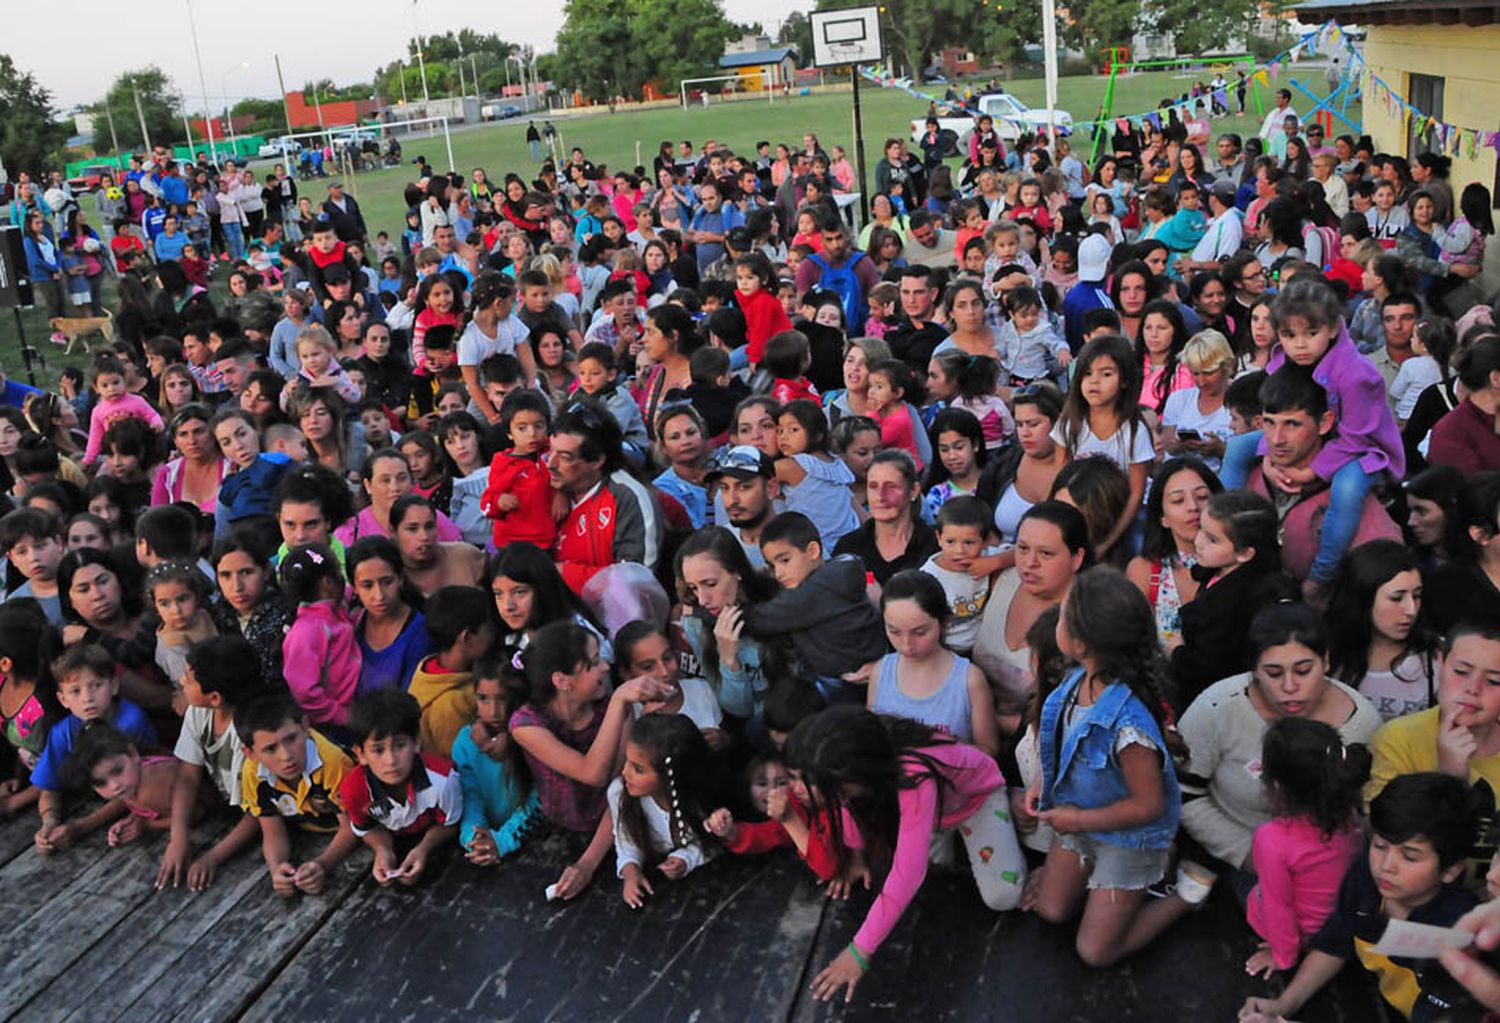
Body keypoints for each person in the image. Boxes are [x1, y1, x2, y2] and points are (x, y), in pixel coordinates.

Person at [793, 706, 1024, 1001]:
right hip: (928, 816)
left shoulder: (913, 773)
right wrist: (856, 856)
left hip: (975, 801)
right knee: (934, 883)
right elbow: (846, 805)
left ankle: (1012, 822)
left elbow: (908, 872)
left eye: (837, 786)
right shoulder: (853, 764)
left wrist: (859, 950)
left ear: (862, 773)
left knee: (1004, 896)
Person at [1027, 567, 1185, 968]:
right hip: (1081, 817)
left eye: (1062, 616)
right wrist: (1041, 779)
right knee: (1051, 910)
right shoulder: (1077, 679)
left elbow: (1147, 805)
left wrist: (1078, 821)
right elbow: (1063, 743)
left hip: (1127, 838)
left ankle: (1186, 895)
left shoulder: (1129, 727)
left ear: (1079, 642)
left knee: (1094, 952)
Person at [1239, 773, 1479, 1023]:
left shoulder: (1458, 935)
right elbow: (1335, 944)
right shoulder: (1365, 877)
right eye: (1380, 846)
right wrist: (1283, 1005)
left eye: (1410, 856)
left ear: (1451, 870)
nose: (1387, 866)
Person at [1177, 603, 1380, 887]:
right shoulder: (1216, 708)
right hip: (1245, 856)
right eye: (1273, 673)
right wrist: (1249, 855)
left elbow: (1369, 812)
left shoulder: (1363, 723)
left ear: (1327, 662)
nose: (1289, 686)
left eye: (1304, 670)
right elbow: (1183, 793)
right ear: (1254, 671)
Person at [510, 622, 672, 898]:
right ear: (562, 681)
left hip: (615, 827)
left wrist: (587, 863)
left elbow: (620, 788)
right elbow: (592, 772)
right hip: (557, 829)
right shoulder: (526, 724)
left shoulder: (613, 708)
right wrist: (620, 699)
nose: (605, 667)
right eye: (594, 662)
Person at [1238, 367, 1402, 586]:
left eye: (1292, 424)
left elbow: (1388, 583)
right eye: (1269, 422)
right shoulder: (1250, 475)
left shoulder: (1353, 501)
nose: (1277, 439)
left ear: (1324, 423)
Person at [1242, 718, 1370, 978]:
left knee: (1244, 883)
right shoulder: (1348, 812)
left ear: (1275, 786)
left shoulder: (1271, 840)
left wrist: (1283, 956)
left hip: (1305, 935)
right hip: (1341, 922)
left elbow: (1279, 907)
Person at [156, 635, 264, 891]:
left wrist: (212, 857)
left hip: (264, 815)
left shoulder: (252, 733)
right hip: (227, 805)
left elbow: (260, 813)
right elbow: (187, 776)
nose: (182, 681)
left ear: (215, 698)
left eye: (189, 679)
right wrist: (178, 836)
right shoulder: (198, 711)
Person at [31, 643, 159, 854]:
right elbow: (49, 786)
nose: (87, 698)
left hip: (142, 805)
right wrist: (49, 823)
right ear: (62, 699)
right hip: (93, 805)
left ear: (114, 686)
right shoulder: (63, 732)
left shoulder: (131, 722)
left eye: (96, 685)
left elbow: (132, 787)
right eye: (75, 691)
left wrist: (81, 827)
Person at [1169, 491, 1289, 710]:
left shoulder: (1239, 603)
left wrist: (1177, 652)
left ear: (1245, 553)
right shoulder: (1220, 572)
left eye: (1212, 539)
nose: (1199, 542)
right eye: (1201, 530)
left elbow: (1209, 667)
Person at [235, 691, 361, 897]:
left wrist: (322, 865)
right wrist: (277, 868)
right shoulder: (253, 772)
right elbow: (272, 831)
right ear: (250, 754)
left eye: (291, 738)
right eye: (270, 749)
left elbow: (352, 828)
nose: (286, 756)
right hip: (308, 834)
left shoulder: (332, 763)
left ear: (305, 727)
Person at [339, 690, 461, 887]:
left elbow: (450, 823)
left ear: (416, 743)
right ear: (360, 754)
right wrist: (382, 849)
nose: (391, 761)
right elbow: (367, 828)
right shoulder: (352, 791)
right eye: (378, 750)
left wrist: (424, 848)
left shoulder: (444, 781)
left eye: (400, 745)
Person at [868, 568, 997, 753]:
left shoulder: (969, 680)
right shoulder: (881, 672)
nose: (906, 644)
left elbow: (989, 752)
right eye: (894, 631)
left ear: (945, 622)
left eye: (920, 632)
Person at [608, 713, 730, 908]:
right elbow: (626, 841)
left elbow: (716, 840)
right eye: (626, 761)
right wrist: (631, 873)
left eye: (638, 769)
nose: (625, 773)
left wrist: (686, 858)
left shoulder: (701, 797)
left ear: (670, 777)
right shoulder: (619, 792)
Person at [1051, 335, 1152, 561]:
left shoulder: (1134, 431)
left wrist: (1108, 542)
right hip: (1080, 510)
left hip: (1122, 512)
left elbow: (1136, 494)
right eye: (1087, 374)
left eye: (1106, 374)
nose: (1094, 382)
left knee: (1138, 547)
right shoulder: (1070, 424)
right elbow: (1060, 477)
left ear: (1124, 380)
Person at [1326, 540, 1437, 723]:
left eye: (1416, 596)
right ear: (1363, 598)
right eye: (1397, 598)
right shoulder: (1328, 656)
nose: (1411, 609)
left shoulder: (1435, 658)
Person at [452, 661, 542, 867]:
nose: (493, 711)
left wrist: (502, 841)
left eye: (502, 699)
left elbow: (538, 802)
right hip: (490, 843)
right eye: (483, 699)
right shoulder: (466, 742)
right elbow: (470, 799)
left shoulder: (534, 736)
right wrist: (474, 840)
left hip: (533, 842)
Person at [279, 543, 361, 732]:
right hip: (332, 728)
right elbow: (305, 692)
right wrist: (343, 716)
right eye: (339, 572)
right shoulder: (306, 632)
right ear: (327, 582)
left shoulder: (334, 613)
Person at [407, 585, 492, 757]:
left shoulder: (427, 670)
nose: (494, 635)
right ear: (467, 637)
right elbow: (461, 765)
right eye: (489, 629)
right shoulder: (451, 705)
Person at [346, 538, 431, 698]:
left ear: (400, 578)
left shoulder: (419, 632)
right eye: (367, 585)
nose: (379, 595)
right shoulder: (353, 624)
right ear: (354, 587)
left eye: (387, 582)